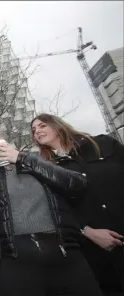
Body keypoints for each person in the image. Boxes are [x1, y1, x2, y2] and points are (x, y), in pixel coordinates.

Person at [0, 73, 103, 296]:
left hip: (65, 253)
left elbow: (76, 185)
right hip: (14, 257)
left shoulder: (38, 160)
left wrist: (20, 158)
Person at [31, 113, 124, 295]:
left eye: (42, 126)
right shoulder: (47, 169)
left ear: (57, 125)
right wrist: (87, 231)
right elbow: (57, 210)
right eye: (34, 130)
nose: (37, 132)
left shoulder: (102, 144)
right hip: (100, 249)